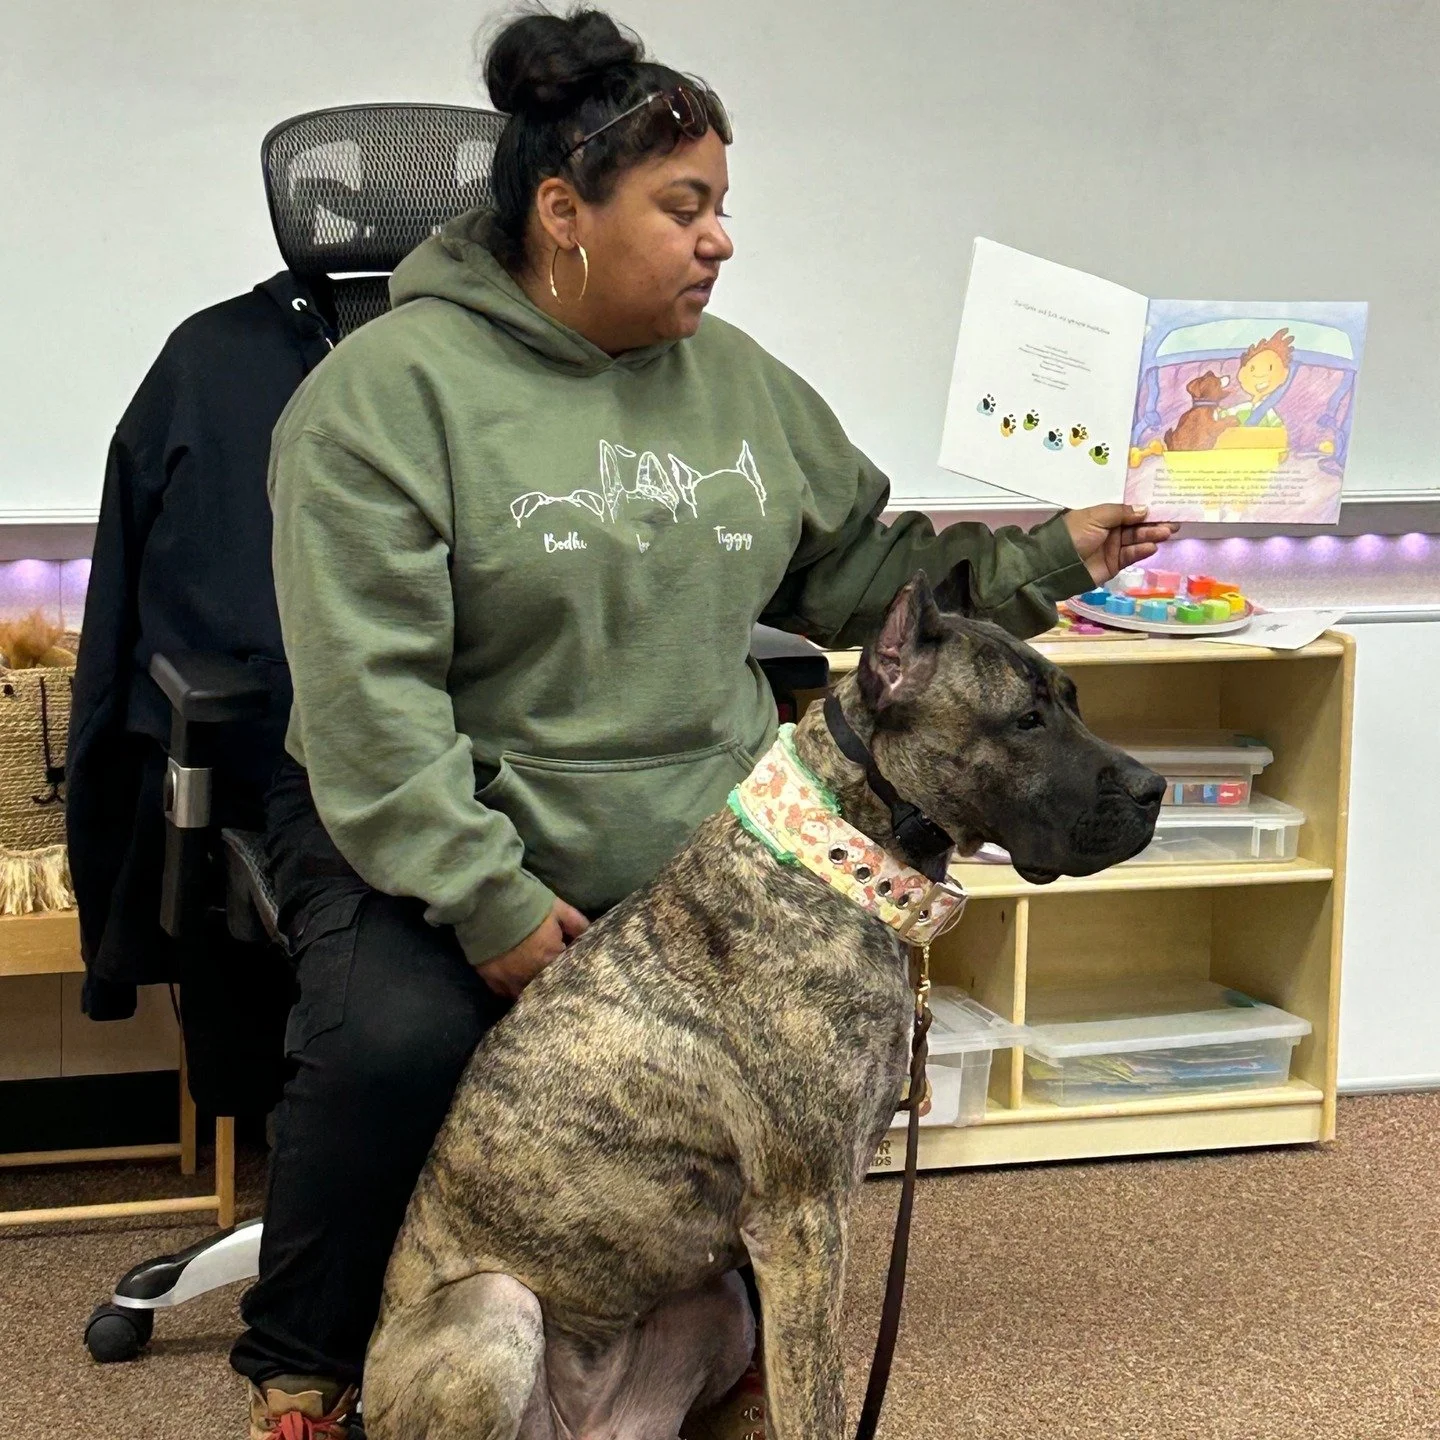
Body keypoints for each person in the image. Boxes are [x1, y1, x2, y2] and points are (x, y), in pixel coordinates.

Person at [233, 8, 1177, 1437]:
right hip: (435, 823)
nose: (720, 240)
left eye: (722, 206)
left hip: (695, 833)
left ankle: (683, 1324)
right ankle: (305, 1365)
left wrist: (1056, 554)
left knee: (802, 1056)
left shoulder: (737, 385)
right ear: (564, 214)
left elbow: (868, 583)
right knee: (395, 1044)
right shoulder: (379, 400)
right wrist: (488, 900)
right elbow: (372, 710)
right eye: (684, 208)